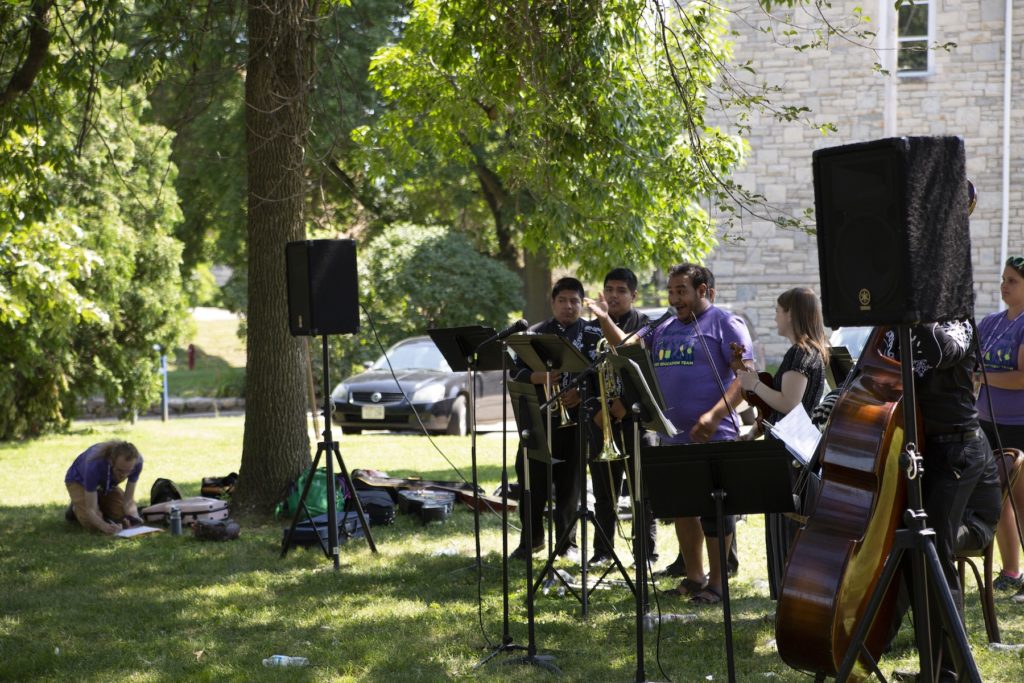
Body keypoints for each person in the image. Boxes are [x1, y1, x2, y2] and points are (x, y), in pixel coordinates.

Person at [597, 263, 753, 604]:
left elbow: (746, 378)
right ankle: (695, 577)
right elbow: (626, 347)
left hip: (714, 436)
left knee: (714, 510)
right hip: (672, 436)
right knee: (684, 508)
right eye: (670, 291)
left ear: (703, 291)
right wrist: (604, 319)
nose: (674, 298)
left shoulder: (726, 323)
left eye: (681, 291)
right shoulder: (664, 324)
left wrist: (713, 416)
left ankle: (718, 583)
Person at [879, 321, 990, 682]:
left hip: (956, 449)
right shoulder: (892, 326)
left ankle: (949, 673)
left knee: (935, 557)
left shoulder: (957, 319)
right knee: (912, 555)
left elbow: (941, 353)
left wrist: (918, 319)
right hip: (917, 450)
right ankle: (933, 668)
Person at [736, 287, 828, 598]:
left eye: (778, 310)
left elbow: (789, 403)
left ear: (792, 313)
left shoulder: (800, 353)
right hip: (797, 451)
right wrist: (758, 428)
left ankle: (788, 596)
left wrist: (752, 386)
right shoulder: (811, 351)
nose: (775, 317)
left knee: (784, 526)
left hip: (791, 455)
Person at [510, 277, 601, 563]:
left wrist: (581, 392)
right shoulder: (534, 335)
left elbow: (602, 374)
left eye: (574, 301)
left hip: (576, 420)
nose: (568, 306)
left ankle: (566, 543)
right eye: (562, 300)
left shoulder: (592, 334)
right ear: (552, 303)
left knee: (570, 484)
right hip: (539, 419)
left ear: (582, 304)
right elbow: (515, 373)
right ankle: (531, 539)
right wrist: (538, 377)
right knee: (530, 478)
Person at [583, 267, 658, 567]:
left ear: (633, 295)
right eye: (609, 289)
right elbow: (587, 373)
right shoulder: (590, 329)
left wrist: (623, 404)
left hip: (636, 419)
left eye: (621, 291)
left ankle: (645, 554)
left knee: (643, 492)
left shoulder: (647, 325)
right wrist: (597, 408)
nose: (613, 295)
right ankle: (603, 551)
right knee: (603, 494)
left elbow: (643, 370)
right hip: (601, 421)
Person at [975, 255, 1024, 598]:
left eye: (1013, 281)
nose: (1004, 286)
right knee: (998, 500)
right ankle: (1011, 572)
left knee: (1022, 501)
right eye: (1004, 279)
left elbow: (1022, 378)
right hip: (985, 421)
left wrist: (981, 376)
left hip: (1019, 424)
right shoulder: (990, 324)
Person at [64, 440, 144, 534]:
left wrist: (134, 518)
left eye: (128, 471)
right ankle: (75, 509)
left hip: (106, 483)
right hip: (78, 480)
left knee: (121, 514)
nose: (124, 475)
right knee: (92, 524)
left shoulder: (137, 463)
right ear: (111, 461)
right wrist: (104, 527)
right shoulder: (94, 465)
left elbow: (129, 501)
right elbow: (91, 510)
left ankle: (98, 502)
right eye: (120, 470)